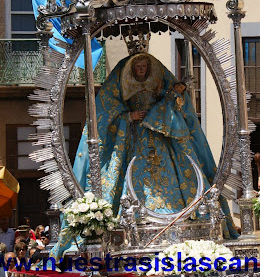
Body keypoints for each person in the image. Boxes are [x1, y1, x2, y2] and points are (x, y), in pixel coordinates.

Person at [52, 48, 237, 255]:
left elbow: (171, 104)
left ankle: (180, 213)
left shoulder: (159, 87)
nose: (141, 70)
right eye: (137, 67)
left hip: (159, 137)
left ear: (150, 70)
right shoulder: (121, 85)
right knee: (133, 174)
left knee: (171, 170)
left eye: (144, 67)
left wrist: (172, 98)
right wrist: (129, 117)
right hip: (135, 137)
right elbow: (106, 112)